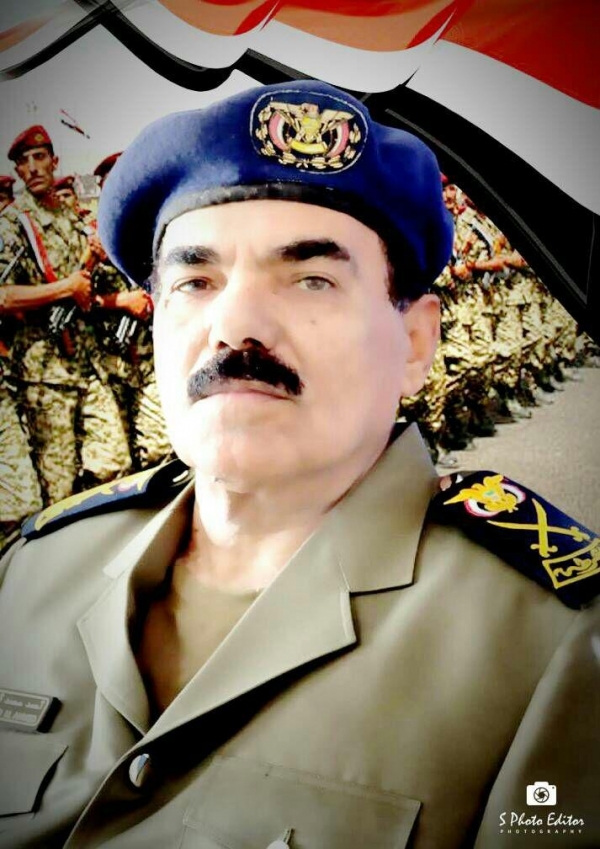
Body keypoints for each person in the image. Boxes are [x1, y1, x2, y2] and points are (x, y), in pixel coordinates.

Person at [0, 81, 598, 848]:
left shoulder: (550, 647)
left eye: (311, 278)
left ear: (416, 342)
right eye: (194, 281)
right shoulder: (32, 575)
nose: (235, 324)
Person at [0, 125, 131, 504]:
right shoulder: (13, 224)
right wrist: (64, 288)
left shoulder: (72, 219)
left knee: (113, 462)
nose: (33, 167)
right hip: (44, 373)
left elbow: (90, 286)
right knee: (58, 485)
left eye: (39, 157)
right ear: (18, 172)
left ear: (54, 161)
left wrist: (99, 258)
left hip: (87, 363)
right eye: (24, 162)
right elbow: (4, 297)